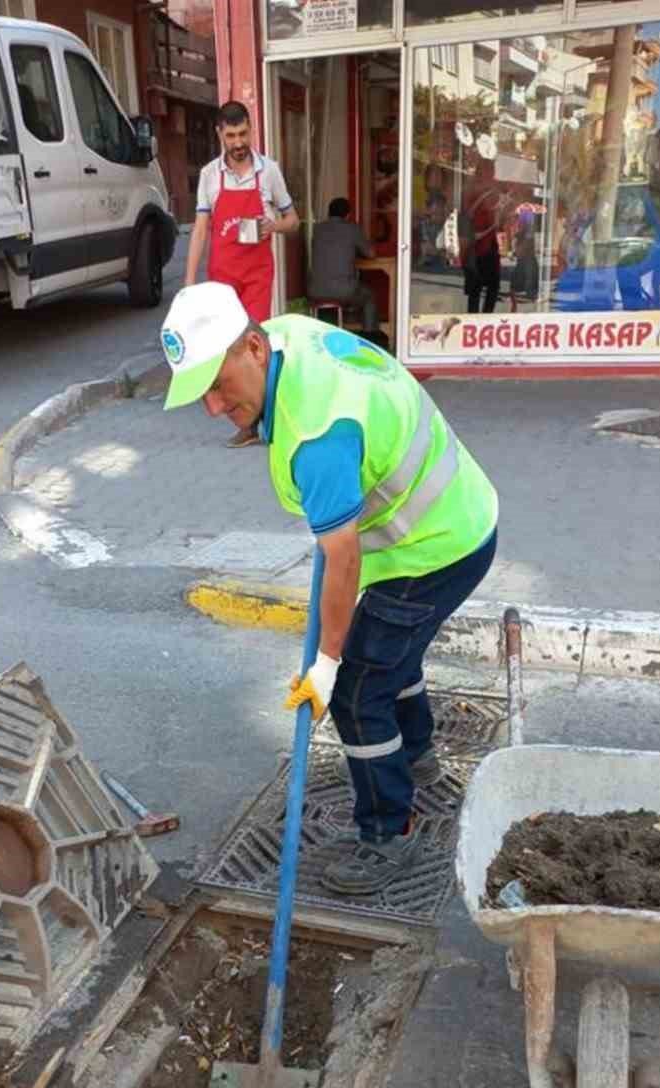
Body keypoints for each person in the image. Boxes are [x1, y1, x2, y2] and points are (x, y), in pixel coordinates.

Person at [158, 284, 499, 896]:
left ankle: (387, 830)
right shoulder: (287, 336)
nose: (212, 408)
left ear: (254, 347)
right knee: (394, 652)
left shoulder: (317, 442)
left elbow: (339, 561)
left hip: (436, 547)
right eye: (199, 394)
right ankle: (415, 753)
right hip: (454, 514)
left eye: (216, 384)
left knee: (358, 691)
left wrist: (324, 664)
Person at [185, 101, 300, 447]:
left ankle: (261, 422)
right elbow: (201, 229)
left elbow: (294, 220)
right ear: (220, 134)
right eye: (231, 135)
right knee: (227, 352)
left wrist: (274, 226)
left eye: (244, 134)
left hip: (256, 275)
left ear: (252, 131)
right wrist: (189, 282)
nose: (238, 142)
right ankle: (246, 418)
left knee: (255, 349)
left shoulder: (269, 171)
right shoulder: (209, 175)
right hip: (223, 278)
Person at [307, 198, 380, 336]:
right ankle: (370, 338)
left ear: (329, 213)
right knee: (369, 296)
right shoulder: (352, 229)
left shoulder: (317, 230)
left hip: (315, 290)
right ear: (347, 215)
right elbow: (371, 254)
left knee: (347, 292)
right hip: (344, 291)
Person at [459, 161, 503, 315]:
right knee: (479, 289)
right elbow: (475, 222)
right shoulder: (475, 192)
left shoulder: (488, 191)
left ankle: (484, 319)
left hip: (488, 246)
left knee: (489, 288)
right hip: (477, 247)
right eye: (489, 172)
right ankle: (478, 320)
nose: (491, 175)